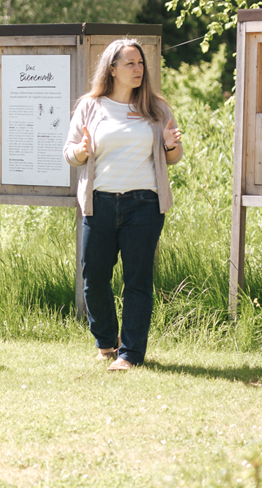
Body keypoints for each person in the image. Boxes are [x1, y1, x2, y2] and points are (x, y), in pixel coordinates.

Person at [63, 39, 182, 371]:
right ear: (111, 69)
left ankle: (131, 354)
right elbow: (70, 153)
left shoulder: (157, 108)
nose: (138, 69)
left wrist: (170, 146)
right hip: (98, 203)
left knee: (138, 280)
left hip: (144, 204)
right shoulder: (91, 106)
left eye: (140, 63)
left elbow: (173, 157)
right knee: (94, 277)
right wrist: (83, 151)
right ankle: (106, 342)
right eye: (130, 63)